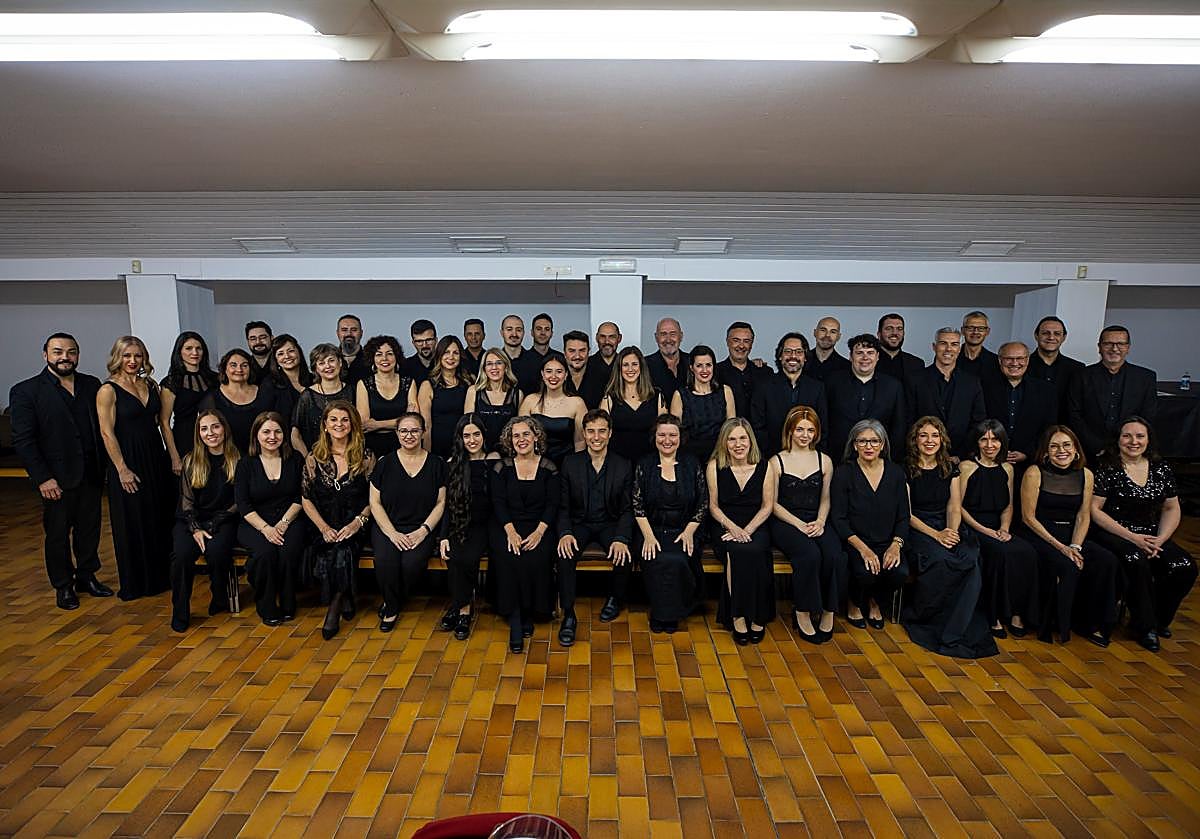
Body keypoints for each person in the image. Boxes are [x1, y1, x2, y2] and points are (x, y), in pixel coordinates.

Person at [10, 332, 111, 609]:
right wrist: (43, 478)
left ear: (77, 355)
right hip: (55, 477)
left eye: (71, 352)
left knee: (89, 529)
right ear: (46, 355)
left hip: (91, 472)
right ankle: (63, 586)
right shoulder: (26, 391)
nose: (65, 357)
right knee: (57, 534)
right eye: (58, 352)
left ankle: (87, 576)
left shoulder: (91, 385)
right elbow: (24, 441)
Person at [1090, 417, 1196, 651]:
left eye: (1140, 436)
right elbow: (1095, 510)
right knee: (1135, 560)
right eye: (1127, 436)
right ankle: (1144, 627)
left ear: (1149, 440)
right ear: (1118, 440)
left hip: (1152, 533)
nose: (1133, 441)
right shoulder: (1107, 466)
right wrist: (1132, 537)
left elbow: (1171, 507)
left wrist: (1161, 539)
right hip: (1115, 531)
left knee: (1184, 566)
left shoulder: (1161, 468)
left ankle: (1158, 619)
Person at [901, 417, 996, 658]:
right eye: (924, 435)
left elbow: (954, 506)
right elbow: (906, 513)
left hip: (947, 524)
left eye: (935, 435)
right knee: (940, 559)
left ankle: (959, 624)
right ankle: (932, 619)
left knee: (970, 559)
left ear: (942, 439)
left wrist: (951, 532)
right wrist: (937, 535)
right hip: (919, 528)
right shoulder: (905, 468)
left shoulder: (950, 467)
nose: (929, 441)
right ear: (915, 440)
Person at [1019, 426, 1118, 646]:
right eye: (1054, 446)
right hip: (1040, 534)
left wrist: (1075, 546)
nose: (1061, 451)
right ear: (1046, 452)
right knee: (1067, 565)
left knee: (1106, 561)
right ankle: (1059, 624)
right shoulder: (1034, 472)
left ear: (1076, 450)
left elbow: (1083, 516)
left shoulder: (1086, 475)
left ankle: (1092, 624)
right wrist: (1061, 547)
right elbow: (1028, 517)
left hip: (1073, 535)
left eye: (1066, 445)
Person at [97, 335, 176, 601]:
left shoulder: (150, 384)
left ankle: (162, 577)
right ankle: (137, 583)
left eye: (138, 355)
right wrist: (122, 469)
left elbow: (160, 423)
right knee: (132, 520)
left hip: (154, 456)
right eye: (127, 355)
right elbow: (107, 433)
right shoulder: (108, 390)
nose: (132, 361)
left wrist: (171, 457)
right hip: (127, 460)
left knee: (158, 515)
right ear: (117, 357)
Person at [556, 409, 634, 643]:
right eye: (591, 431)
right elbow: (563, 506)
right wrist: (565, 533)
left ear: (610, 433)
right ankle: (569, 614)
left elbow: (627, 509)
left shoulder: (623, 465)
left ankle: (615, 599)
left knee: (624, 553)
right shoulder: (570, 463)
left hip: (609, 523)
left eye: (601, 431)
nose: (596, 437)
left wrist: (621, 538)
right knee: (564, 554)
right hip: (579, 523)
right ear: (584, 433)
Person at [301, 401, 376, 640]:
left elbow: (374, 499)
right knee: (329, 551)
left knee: (343, 549)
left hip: (356, 523)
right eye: (333, 419)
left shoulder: (366, 456)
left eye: (345, 420)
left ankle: (333, 609)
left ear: (352, 424)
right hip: (321, 524)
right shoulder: (314, 457)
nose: (339, 424)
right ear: (325, 425)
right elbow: (306, 499)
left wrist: (357, 522)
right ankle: (346, 598)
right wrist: (323, 528)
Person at [767, 406, 842, 644]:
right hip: (785, 521)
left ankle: (828, 611)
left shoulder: (825, 461)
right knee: (809, 554)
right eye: (800, 429)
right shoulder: (776, 461)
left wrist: (820, 521)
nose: (805, 435)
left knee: (833, 554)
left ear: (816, 433)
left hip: (816, 519)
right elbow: (772, 504)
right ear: (790, 430)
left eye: (810, 430)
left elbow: (826, 498)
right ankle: (803, 610)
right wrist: (798, 524)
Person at [958, 420, 1039, 639]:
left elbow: (1008, 505)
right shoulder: (966, 467)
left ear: (1002, 442)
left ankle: (1017, 613)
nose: (989, 445)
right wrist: (987, 531)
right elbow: (958, 507)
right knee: (1000, 553)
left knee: (1027, 552)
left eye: (995, 439)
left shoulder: (1008, 469)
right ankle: (993, 615)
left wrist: (1004, 528)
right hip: (972, 527)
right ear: (977, 442)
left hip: (999, 527)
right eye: (984, 439)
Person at [370, 412, 446, 632]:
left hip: (421, 527)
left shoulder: (437, 464)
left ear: (423, 432)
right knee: (385, 561)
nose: (409, 435)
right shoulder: (384, 463)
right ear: (397, 433)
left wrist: (423, 531)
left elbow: (441, 502)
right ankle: (392, 609)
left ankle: (394, 599)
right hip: (388, 525)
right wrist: (392, 533)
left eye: (414, 430)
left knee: (411, 564)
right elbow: (374, 502)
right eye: (404, 431)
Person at [830, 419, 909, 631]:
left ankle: (875, 602)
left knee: (899, 572)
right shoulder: (843, 473)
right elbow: (838, 518)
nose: (868, 446)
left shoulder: (896, 473)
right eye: (862, 441)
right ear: (854, 445)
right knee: (865, 572)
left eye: (874, 441)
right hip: (855, 541)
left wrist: (896, 545)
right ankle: (854, 602)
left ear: (882, 445)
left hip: (887, 541)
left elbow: (904, 516)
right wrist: (863, 550)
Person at [490, 417, 560, 653]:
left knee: (537, 557)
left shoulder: (549, 468)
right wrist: (510, 531)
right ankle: (516, 616)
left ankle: (531, 610)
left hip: (540, 526)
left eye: (526, 434)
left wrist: (540, 532)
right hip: (506, 525)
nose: (521, 440)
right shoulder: (501, 467)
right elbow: (498, 502)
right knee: (510, 556)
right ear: (510, 440)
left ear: (536, 436)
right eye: (516, 436)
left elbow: (552, 504)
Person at [633, 414, 707, 634]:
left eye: (672, 435)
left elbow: (703, 501)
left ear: (680, 437)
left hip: (685, 529)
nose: (667, 440)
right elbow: (637, 504)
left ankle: (672, 614)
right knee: (656, 557)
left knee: (677, 559)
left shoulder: (692, 463)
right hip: (651, 529)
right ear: (654, 437)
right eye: (662, 435)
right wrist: (648, 536)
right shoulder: (644, 464)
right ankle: (660, 613)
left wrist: (689, 532)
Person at [169, 409, 239, 632]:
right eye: (204, 429)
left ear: (224, 429)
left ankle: (219, 596)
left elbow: (240, 501)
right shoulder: (191, 461)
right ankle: (180, 611)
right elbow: (186, 501)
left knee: (217, 552)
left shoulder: (238, 459)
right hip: (191, 520)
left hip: (225, 517)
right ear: (198, 433)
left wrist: (215, 523)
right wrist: (196, 528)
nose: (210, 433)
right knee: (182, 555)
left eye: (215, 427)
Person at [708, 418, 776, 645]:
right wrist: (733, 528)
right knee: (736, 551)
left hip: (756, 524)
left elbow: (767, 506)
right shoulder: (715, 466)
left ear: (750, 441)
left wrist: (747, 530)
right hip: (724, 525)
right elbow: (713, 507)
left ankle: (758, 616)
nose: (738, 444)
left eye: (742, 438)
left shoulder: (766, 467)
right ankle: (737, 616)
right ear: (724, 443)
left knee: (757, 551)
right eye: (732, 439)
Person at [235, 411, 305, 626]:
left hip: (290, 517)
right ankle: (266, 605)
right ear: (256, 435)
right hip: (255, 521)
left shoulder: (295, 459)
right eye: (266, 432)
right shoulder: (245, 464)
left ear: (284, 434)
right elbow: (243, 504)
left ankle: (288, 601)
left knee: (287, 552)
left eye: (277, 431)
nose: (272, 437)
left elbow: (301, 496)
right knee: (264, 553)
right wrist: (266, 529)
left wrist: (283, 523)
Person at [438, 414, 498, 640]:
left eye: (476, 434)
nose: (472, 440)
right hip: (461, 522)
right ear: (460, 439)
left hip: (488, 523)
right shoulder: (452, 464)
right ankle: (461, 606)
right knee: (453, 554)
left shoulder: (495, 460)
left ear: (483, 435)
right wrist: (443, 536)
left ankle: (461, 610)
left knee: (468, 557)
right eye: (466, 436)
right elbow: (447, 504)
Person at [1068, 325, 1158, 459]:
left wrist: (1127, 444)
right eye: (1108, 344)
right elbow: (1073, 414)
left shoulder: (1145, 378)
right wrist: (1095, 445)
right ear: (1099, 347)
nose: (1114, 349)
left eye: (1120, 344)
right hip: (1089, 451)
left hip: (1130, 451)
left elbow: (1147, 416)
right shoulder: (1081, 376)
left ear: (1128, 348)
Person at [823, 334, 906, 461]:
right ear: (850, 356)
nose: (865, 357)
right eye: (859, 353)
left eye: (870, 353)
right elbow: (824, 421)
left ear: (877, 357)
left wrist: (891, 461)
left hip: (879, 461)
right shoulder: (832, 382)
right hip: (837, 458)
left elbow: (898, 428)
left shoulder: (893, 386)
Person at [750, 332, 828, 458]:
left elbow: (822, 427)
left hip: (808, 457)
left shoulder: (817, 388)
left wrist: (813, 456)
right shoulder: (763, 386)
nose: (793, 356)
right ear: (780, 356)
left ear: (805, 357)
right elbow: (757, 427)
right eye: (788, 351)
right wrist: (773, 457)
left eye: (799, 352)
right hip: (772, 456)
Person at [912, 328, 985, 460]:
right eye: (943, 343)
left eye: (954, 344)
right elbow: (909, 420)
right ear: (934, 347)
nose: (948, 349)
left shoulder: (972, 382)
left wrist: (961, 455)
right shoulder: (916, 380)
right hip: (922, 457)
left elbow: (978, 422)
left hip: (960, 458)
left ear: (959, 349)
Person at [982, 342, 1058, 466]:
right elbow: (978, 423)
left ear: (1027, 360)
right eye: (1009, 358)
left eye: (1020, 358)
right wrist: (994, 450)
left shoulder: (1046, 391)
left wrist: (1028, 453)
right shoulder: (984, 387)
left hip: (1030, 463)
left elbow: (1049, 428)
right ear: (1000, 360)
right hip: (989, 460)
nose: (1015, 363)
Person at [159, 331, 218, 474]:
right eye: (189, 348)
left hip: (213, 440)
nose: (195, 352)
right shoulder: (171, 382)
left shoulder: (215, 379)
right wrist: (174, 457)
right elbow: (164, 422)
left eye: (199, 348)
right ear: (179, 352)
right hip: (183, 442)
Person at [201, 348, 278, 455]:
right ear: (224, 369)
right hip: (228, 457)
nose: (239, 369)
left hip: (262, 455)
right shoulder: (212, 398)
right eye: (233, 365)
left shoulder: (265, 393)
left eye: (244, 365)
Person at [601, 346, 666, 465]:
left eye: (635, 364)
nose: (630, 369)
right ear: (619, 369)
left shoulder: (657, 396)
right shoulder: (609, 398)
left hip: (651, 463)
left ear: (641, 367)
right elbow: (602, 433)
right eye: (625, 365)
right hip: (617, 464)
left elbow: (665, 432)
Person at [671, 344, 735, 463]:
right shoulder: (680, 395)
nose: (705, 370)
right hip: (689, 458)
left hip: (720, 456)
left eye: (708, 365)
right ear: (691, 368)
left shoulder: (726, 391)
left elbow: (731, 429)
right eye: (699, 366)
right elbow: (674, 432)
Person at [520, 354, 586, 467]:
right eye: (549, 371)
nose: (553, 376)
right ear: (542, 374)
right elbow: (521, 437)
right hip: (535, 465)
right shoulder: (530, 401)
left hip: (567, 465)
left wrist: (577, 468)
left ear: (566, 375)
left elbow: (580, 441)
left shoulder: (577, 403)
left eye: (559, 372)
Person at [356, 334, 417, 458]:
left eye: (389, 354)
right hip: (372, 447)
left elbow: (413, 421)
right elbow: (365, 424)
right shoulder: (363, 384)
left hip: (404, 444)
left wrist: (378, 425)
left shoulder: (408, 383)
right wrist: (400, 421)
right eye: (379, 354)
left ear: (396, 357)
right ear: (372, 358)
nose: (384, 358)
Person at [291, 343, 354, 457]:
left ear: (340, 362)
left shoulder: (353, 391)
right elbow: (295, 435)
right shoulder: (307, 396)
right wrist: (307, 457)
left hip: (350, 456)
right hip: (317, 458)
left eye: (331, 360)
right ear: (315, 369)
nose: (328, 366)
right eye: (321, 363)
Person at [418, 335, 469, 459]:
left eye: (455, 353)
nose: (451, 357)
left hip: (462, 448)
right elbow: (426, 426)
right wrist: (428, 458)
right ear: (439, 355)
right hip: (437, 449)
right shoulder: (428, 385)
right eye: (446, 352)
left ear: (460, 357)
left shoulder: (468, 384)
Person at [464, 348, 523, 454]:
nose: (494, 367)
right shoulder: (474, 391)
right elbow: (468, 427)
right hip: (480, 453)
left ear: (506, 367)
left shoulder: (517, 394)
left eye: (499, 363)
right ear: (484, 368)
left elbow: (521, 429)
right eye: (489, 364)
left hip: (509, 454)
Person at [1026, 316, 1083, 424]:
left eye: (1057, 333)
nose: (1051, 337)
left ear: (1064, 337)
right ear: (1036, 336)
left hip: (1064, 429)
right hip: (1029, 428)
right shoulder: (1022, 366)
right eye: (1045, 333)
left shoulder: (1077, 369)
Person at [875, 313, 924, 423]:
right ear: (879, 334)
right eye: (889, 328)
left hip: (908, 424)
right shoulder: (868, 362)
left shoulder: (917, 364)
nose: (895, 333)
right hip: (874, 424)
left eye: (899, 329)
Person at [717, 321, 772, 420]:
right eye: (736, 340)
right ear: (727, 342)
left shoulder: (765, 372)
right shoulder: (715, 373)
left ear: (752, 344)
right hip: (728, 429)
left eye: (746, 341)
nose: (741, 346)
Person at [266, 333, 313, 431]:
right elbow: (265, 419)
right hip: (283, 437)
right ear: (275, 359)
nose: (287, 356)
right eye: (280, 354)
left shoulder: (314, 380)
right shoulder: (269, 384)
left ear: (299, 352)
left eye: (291, 351)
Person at [645, 317, 689, 401]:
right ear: (656, 337)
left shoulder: (693, 363)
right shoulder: (644, 365)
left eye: (673, 334)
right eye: (663, 334)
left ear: (681, 336)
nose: (668, 340)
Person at [563, 330, 606, 409]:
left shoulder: (602, 377)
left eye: (582, 350)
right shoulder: (556, 377)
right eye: (572, 351)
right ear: (564, 353)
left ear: (588, 351)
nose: (577, 356)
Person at [957, 311, 1000, 383]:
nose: (975, 332)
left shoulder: (996, 361)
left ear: (987, 332)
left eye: (981, 328)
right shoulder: (951, 357)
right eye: (970, 328)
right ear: (962, 330)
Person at [805, 316, 850, 382]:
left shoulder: (847, 367)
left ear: (838, 337)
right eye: (823, 330)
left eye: (833, 332)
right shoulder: (802, 362)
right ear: (815, 333)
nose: (827, 335)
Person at [586, 321, 622, 405]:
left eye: (612, 337)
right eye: (602, 337)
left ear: (619, 338)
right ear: (596, 338)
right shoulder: (586, 365)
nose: (607, 342)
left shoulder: (625, 366)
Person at [337, 313, 371, 385]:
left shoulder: (371, 360)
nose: (349, 334)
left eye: (354, 330)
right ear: (337, 333)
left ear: (361, 333)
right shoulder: (329, 361)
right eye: (344, 330)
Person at [402, 318, 438, 384]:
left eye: (428, 340)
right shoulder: (405, 366)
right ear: (413, 343)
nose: (424, 345)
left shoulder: (446, 363)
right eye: (419, 341)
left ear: (436, 340)